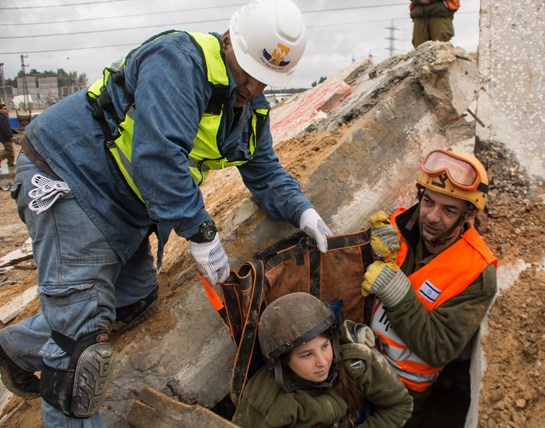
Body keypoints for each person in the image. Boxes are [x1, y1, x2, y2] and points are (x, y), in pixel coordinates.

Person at [0, 0, 333, 426]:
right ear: (228, 41)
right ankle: (64, 364)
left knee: (133, 304)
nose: (252, 87)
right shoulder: (178, 62)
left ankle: (16, 348)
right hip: (70, 173)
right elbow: (157, 156)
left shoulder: (250, 110)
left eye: (264, 79)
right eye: (248, 71)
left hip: (123, 204)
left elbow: (264, 171)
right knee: (79, 354)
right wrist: (201, 232)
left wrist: (302, 210)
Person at [362, 148, 497, 427]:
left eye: (449, 210)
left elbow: (439, 347)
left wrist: (396, 291)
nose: (433, 217)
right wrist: (366, 253)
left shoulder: (476, 270)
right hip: (363, 360)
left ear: (469, 214)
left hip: (404, 389)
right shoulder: (397, 226)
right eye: (428, 202)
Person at [232, 292, 413, 427]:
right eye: (307, 355)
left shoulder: (357, 363)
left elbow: (399, 405)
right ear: (283, 361)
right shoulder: (267, 404)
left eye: (325, 346)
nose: (323, 362)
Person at [0, 103, 16, 168]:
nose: (6, 110)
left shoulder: (4, 116)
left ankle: (10, 163)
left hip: (4, 136)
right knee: (9, 151)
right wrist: (10, 136)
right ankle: (10, 163)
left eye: (6, 108)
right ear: (0, 110)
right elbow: (5, 128)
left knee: (10, 150)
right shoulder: (2, 117)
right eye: (4, 109)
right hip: (5, 137)